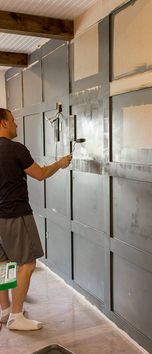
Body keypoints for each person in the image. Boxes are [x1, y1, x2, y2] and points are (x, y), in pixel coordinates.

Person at [0, 108, 72, 331]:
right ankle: (16, 316)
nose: (16, 125)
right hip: (15, 214)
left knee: (4, 263)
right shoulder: (15, 149)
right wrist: (60, 164)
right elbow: (40, 174)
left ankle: (5, 310)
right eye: (13, 121)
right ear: (3, 123)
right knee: (27, 263)